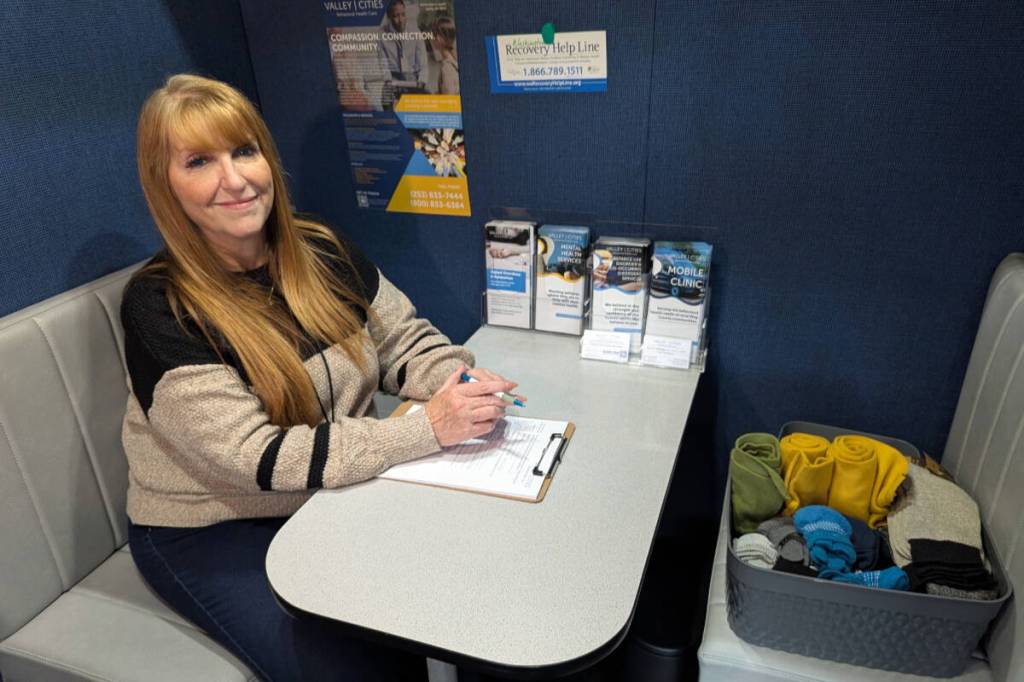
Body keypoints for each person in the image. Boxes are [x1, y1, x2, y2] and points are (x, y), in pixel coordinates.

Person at [123, 74, 521, 681]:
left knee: (453, 601)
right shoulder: (162, 305)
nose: (233, 179)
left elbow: (399, 340)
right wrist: (425, 432)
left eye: (244, 151)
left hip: (326, 489)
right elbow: (256, 458)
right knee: (358, 669)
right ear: (165, 185)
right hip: (213, 526)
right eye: (200, 161)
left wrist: (457, 382)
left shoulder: (319, 247)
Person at [379, 0, 427, 87]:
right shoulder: (382, 35)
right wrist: (388, 81)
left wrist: (421, 81)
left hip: (414, 77)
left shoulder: (415, 31)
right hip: (394, 79)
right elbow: (384, 65)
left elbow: (423, 64)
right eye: (396, 16)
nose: (401, 20)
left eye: (403, 14)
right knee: (386, 98)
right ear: (389, 17)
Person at [430, 16, 459, 95]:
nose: (431, 39)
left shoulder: (446, 68)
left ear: (438, 39)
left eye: (432, 36)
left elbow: (449, 101)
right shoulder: (454, 60)